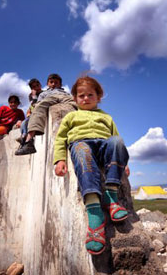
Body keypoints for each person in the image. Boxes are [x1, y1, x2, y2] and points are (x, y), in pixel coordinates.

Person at [53, 76, 130, 255]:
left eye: (90, 95)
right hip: (81, 144)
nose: (86, 98)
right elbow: (61, 139)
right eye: (81, 96)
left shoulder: (106, 117)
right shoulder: (71, 116)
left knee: (117, 141)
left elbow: (116, 137)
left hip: (104, 147)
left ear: (98, 97)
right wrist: (60, 159)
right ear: (75, 98)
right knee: (82, 153)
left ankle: (111, 197)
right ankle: (95, 213)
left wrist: (123, 163)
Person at [15, 73, 76, 155]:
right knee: (39, 107)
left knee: (76, 104)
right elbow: (37, 104)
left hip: (64, 97)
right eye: (51, 82)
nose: (54, 84)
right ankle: (28, 141)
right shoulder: (43, 94)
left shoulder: (66, 93)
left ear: (60, 84)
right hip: (50, 98)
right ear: (47, 84)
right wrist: (35, 99)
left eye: (56, 82)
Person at [15, 78, 43, 148]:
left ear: (40, 85)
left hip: (39, 113)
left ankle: (27, 138)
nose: (36, 88)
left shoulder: (43, 93)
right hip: (32, 113)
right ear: (31, 89)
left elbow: (38, 103)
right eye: (34, 87)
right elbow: (33, 104)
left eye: (37, 85)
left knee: (29, 123)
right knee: (24, 122)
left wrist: (34, 96)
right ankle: (24, 135)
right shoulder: (31, 95)